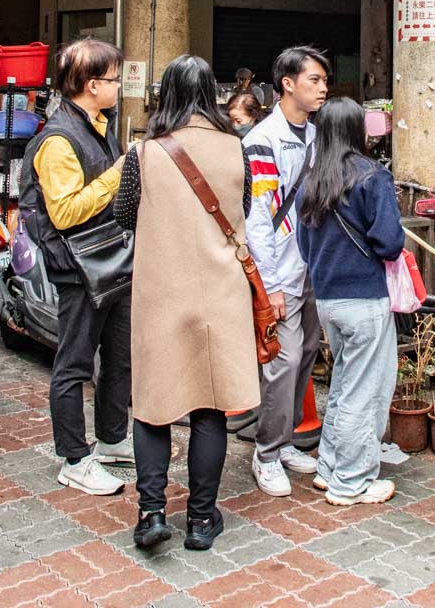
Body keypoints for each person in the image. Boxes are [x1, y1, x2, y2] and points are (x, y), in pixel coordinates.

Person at [111, 55, 260, 550]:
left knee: (152, 406)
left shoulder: (143, 153)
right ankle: (200, 519)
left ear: (167, 95)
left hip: (160, 293)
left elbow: (124, 215)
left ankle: (151, 514)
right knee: (210, 408)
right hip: (222, 295)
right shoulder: (237, 149)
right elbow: (245, 211)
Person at [21, 39, 132, 494]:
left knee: (120, 359)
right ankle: (74, 457)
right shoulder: (58, 140)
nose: (119, 86)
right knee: (74, 364)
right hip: (79, 268)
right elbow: (64, 212)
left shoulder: (100, 125)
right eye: (113, 79)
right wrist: (118, 172)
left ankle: (111, 439)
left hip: (114, 260)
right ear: (91, 85)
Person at [296, 96, 406, 507]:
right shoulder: (371, 176)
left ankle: (329, 467)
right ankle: (351, 481)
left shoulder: (311, 180)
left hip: (327, 298)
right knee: (366, 390)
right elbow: (389, 242)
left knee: (342, 385)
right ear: (358, 129)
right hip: (364, 297)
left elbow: (303, 245)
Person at [243, 46, 330, 497]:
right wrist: (269, 284)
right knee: (284, 359)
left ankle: (290, 436)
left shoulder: (316, 136)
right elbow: (258, 215)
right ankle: (267, 451)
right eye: (314, 80)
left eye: (323, 81)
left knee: (307, 354)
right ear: (288, 84)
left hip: (313, 265)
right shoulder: (262, 139)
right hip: (280, 270)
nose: (322, 88)